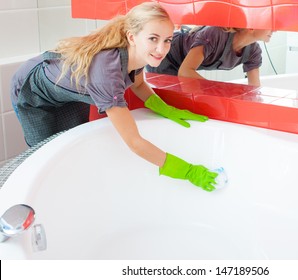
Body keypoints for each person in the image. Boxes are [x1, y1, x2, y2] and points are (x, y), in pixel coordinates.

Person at [10, 2, 218, 192]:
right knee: (47, 155)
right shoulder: (106, 75)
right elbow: (134, 142)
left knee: (69, 147)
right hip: (33, 93)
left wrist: (165, 109)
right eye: (153, 39)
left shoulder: (135, 54)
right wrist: (187, 171)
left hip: (67, 94)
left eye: (167, 40)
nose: (161, 49)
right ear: (132, 37)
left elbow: (137, 83)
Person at [146, 26, 273, 86]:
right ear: (251, 27)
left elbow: (254, 88)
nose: (275, 30)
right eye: (270, 25)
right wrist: (218, 89)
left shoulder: (254, 52)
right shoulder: (215, 34)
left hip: (182, 65)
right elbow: (185, 72)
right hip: (165, 57)